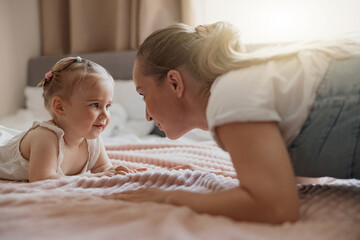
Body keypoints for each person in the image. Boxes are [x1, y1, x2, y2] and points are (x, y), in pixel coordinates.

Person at [103, 21, 360, 224]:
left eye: (143, 94)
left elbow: (277, 207)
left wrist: (169, 196)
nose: (147, 115)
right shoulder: (250, 87)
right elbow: (299, 185)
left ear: (174, 82)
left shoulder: (230, 95)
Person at [0, 56, 141, 182]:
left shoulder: (92, 139)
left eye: (108, 106)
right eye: (95, 105)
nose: (105, 114)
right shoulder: (46, 137)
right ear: (60, 107)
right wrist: (91, 177)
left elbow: (104, 168)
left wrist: (117, 173)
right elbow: (42, 180)